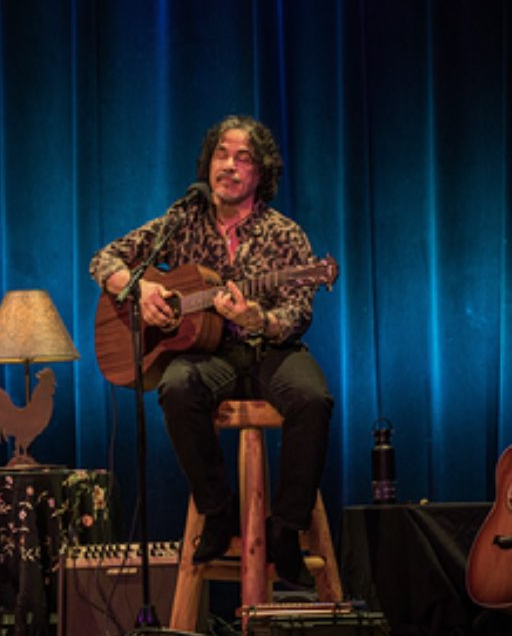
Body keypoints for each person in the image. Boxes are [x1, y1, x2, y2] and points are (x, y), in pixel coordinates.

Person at [89, 115, 333, 583]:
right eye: (222, 154)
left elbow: (297, 314)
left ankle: (285, 529)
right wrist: (141, 291)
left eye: (243, 159)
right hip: (210, 357)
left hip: (270, 353)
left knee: (313, 400)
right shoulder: (181, 222)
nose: (229, 166)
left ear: (261, 174)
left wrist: (256, 318)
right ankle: (218, 513)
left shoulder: (286, 235)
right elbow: (103, 259)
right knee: (177, 388)